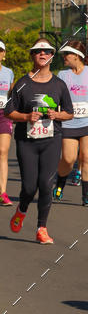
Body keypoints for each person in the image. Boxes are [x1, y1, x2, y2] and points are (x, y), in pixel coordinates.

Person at [5, 39, 73, 244]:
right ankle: (22, 209)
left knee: (45, 184)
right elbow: (9, 112)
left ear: (52, 56)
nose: (42, 54)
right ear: (32, 56)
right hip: (27, 141)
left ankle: (41, 228)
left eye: (47, 51)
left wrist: (57, 114)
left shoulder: (59, 85)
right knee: (28, 187)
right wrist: (26, 117)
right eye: (37, 51)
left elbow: (69, 113)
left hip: (52, 139)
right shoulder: (22, 83)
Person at [53, 41, 88, 207]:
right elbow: (55, 97)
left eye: (67, 54)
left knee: (87, 157)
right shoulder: (62, 75)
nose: (64, 57)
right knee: (68, 159)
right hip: (68, 122)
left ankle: (87, 196)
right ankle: (60, 184)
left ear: (76, 55)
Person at [70, 47, 88, 185]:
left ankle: (84, 172)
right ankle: (79, 169)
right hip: (78, 118)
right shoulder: (84, 78)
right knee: (80, 150)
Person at [0, 39, 15, 206]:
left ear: (3, 54)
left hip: (3, 114)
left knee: (3, 151)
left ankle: (2, 192)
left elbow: (11, 93)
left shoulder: (8, 72)